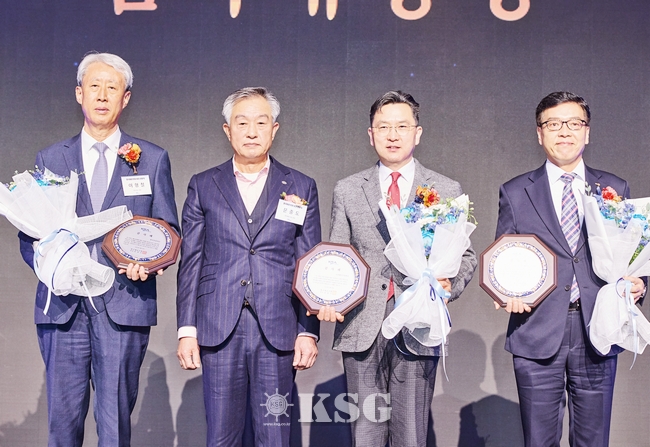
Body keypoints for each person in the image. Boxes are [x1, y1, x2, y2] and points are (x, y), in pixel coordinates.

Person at [18, 52, 179, 447]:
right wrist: (53, 267)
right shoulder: (51, 158)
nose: (102, 95)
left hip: (123, 305)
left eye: (112, 88)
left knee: (114, 428)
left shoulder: (151, 159)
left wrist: (149, 264)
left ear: (126, 98)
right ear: (79, 94)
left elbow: (167, 229)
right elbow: (30, 233)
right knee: (62, 426)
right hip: (63, 310)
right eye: (94, 86)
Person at [318, 90, 477, 446]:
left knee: (410, 433)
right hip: (362, 323)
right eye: (384, 127)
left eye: (402, 126)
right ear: (370, 134)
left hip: (418, 321)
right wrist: (329, 297)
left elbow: (466, 256)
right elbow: (337, 255)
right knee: (366, 432)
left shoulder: (445, 188)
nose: (393, 135)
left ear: (417, 133)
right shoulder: (348, 189)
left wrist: (447, 285)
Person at [494, 91, 646, 447]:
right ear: (539, 133)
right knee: (539, 440)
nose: (565, 131)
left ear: (587, 132)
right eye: (553, 124)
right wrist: (505, 292)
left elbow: (632, 253)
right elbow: (503, 257)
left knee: (593, 440)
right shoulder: (515, 191)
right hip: (536, 329)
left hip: (597, 327)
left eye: (574, 123)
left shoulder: (614, 188)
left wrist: (639, 283)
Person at [175, 87, 321, 446]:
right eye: (242, 123)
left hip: (278, 327)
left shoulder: (300, 185)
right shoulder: (203, 185)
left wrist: (308, 331)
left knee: (275, 435)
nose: (252, 132)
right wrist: (186, 329)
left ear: (274, 129)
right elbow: (191, 261)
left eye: (261, 122)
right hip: (218, 325)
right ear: (228, 130)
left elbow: (310, 264)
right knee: (221, 437)